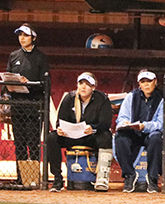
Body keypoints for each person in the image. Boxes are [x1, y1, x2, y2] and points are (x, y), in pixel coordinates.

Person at [46, 72, 113, 192]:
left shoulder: (102, 99)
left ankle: (102, 178)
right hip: (71, 135)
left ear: (93, 87)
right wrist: (60, 129)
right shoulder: (69, 98)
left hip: (90, 135)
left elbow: (105, 123)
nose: (83, 87)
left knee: (106, 136)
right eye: (81, 83)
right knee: (52, 137)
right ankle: (57, 179)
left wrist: (93, 128)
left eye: (87, 84)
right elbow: (60, 121)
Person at [6, 23, 49, 186]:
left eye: (25, 35)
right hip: (17, 104)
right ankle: (21, 178)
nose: (22, 38)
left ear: (33, 38)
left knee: (33, 142)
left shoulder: (41, 57)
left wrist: (29, 82)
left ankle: (33, 178)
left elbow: (44, 82)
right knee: (20, 143)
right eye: (20, 35)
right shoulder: (14, 55)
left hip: (34, 105)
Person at [115, 69, 164, 193]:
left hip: (150, 133)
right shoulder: (131, 97)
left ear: (155, 82)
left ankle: (153, 178)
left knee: (156, 138)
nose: (146, 84)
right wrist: (124, 124)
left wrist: (144, 126)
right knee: (120, 137)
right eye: (143, 82)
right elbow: (122, 117)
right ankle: (129, 174)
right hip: (133, 132)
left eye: (149, 81)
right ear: (139, 84)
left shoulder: (163, 99)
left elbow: (161, 124)